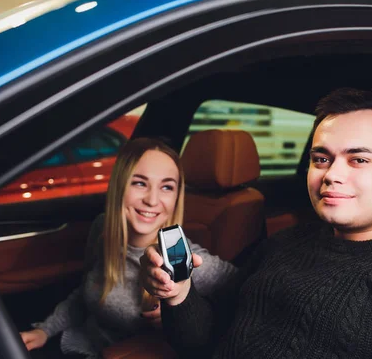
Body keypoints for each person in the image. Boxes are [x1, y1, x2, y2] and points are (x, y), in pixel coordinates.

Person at [141, 88, 372, 358]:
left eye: (359, 159)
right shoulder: (286, 242)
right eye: (321, 158)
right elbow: (210, 340)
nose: (331, 175)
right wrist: (179, 294)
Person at [20, 137, 237, 358]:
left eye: (166, 187)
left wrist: (184, 311)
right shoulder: (102, 228)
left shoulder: (187, 260)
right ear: (119, 186)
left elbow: (246, 299)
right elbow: (84, 293)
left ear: (176, 197)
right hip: (78, 343)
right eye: (140, 183)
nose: (152, 200)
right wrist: (44, 330)